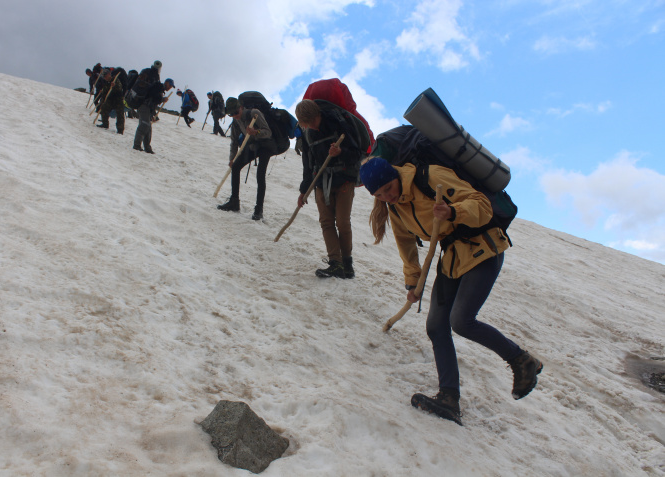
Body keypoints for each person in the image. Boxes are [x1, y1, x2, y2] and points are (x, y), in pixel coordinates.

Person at [360, 156, 543, 425]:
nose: (388, 196)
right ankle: (449, 399)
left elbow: (481, 204)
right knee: (436, 326)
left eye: (389, 188)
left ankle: (522, 360)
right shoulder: (396, 208)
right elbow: (405, 244)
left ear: (395, 176)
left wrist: (453, 212)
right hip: (452, 258)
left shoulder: (430, 177)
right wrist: (413, 283)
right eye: (380, 194)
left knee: (461, 321)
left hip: (481, 248)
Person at [294, 99, 363, 279]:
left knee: (342, 222)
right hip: (321, 181)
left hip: (344, 180)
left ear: (318, 115)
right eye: (306, 124)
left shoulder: (338, 123)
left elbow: (356, 154)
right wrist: (304, 190)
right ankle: (335, 263)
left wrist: (341, 153)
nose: (311, 127)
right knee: (326, 222)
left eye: (312, 122)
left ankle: (347, 264)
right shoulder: (308, 132)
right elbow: (308, 164)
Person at [217, 97, 277, 220]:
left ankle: (258, 210)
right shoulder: (236, 121)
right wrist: (232, 158)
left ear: (241, 108)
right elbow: (234, 141)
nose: (234, 116)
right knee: (236, 166)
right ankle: (234, 202)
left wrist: (256, 132)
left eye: (235, 113)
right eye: (231, 114)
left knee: (260, 175)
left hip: (265, 145)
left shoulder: (254, 113)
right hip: (252, 145)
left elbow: (268, 132)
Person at [132, 61, 165, 154]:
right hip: (145, 104)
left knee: (148, 125)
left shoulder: (146, 72)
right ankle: (137, 145)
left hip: (143, 102)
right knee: (145, 124)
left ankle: (147, 147)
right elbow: (153, 93)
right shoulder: (155, 76)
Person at [95, 68, 125, 134]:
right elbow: (105, 92)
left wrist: (114, 86)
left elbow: (120, 89)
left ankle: (120, 130)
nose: (104, 77)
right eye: (103, 76)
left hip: (118, 99)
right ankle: (105, 124)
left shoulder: (115, 80)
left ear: (109, 74)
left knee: (120, 114)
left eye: (105, 76)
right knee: (104, 108)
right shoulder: (106, 82)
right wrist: (102, 92)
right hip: (110, 99)